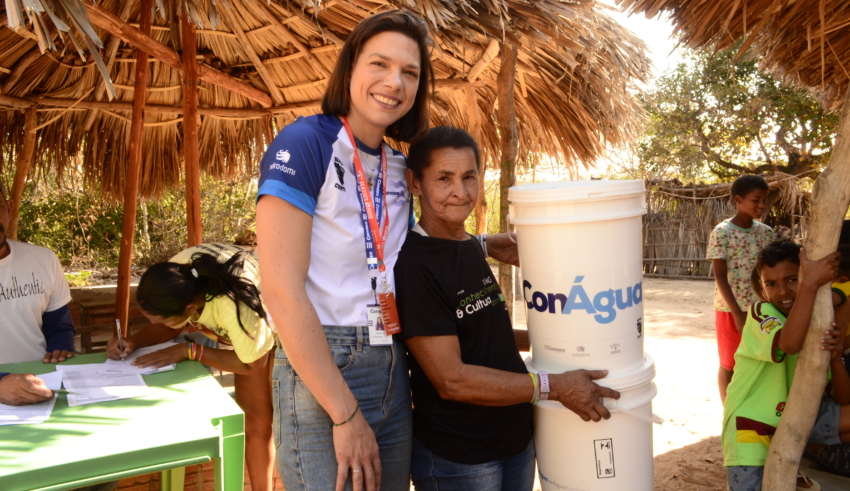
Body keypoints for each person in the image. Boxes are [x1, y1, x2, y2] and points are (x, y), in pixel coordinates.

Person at [255, 11, 518, 491]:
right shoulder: (306, 143)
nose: (394, 82)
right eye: (380, 64)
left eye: (410, 72)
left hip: (393, 360)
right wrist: (344, 414)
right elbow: (280, 290)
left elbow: (399, 251)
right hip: (324, 361)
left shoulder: (399, 166)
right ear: (351, 68)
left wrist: (483, 243)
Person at [394, 126, 621, 490]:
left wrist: (567, 339)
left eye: (469, 177)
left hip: (515, 439)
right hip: (462, 455)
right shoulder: (415, 266)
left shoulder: (468, 245)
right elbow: (451, 379)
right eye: (444, 178)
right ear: (415, 183)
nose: (460, 191)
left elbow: (485, 334)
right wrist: (554, 386)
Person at [106, 243, 275, 491]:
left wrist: (191, 351)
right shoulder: (176, 278)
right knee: (252, 421)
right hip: (243, 318)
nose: (151, 323)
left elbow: (253, 364)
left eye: (156, 319)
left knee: (262, 422)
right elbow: (170, 323)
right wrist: (133, 341)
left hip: (286, 318)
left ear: (190, 308)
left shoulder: (234, 305)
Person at [723, 240, 850, 491]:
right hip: (752, 430)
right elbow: (789, 344)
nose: (782, 291)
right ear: (762, 289)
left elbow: (843, 397)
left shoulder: (817, 321)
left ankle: (797, 451)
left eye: (792, 279)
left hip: (796, 420)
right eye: (771, 284)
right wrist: (809, 284)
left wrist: (835, 357)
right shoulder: (761, 312)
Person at [0, 179, 77, 406]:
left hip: (42, 387)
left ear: (9, 208)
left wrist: (61, 351)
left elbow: (59, 326)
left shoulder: (43, 260)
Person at [706, 175, 773, 403]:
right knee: (729, 363)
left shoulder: (765, 232)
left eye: (764, 200)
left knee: (759, 361)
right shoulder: (722, 232)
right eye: (756, 200)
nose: (762, 205)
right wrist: (737, 314)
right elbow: (720, 276)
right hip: (730, 309)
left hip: (762, 309)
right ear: (738, 199)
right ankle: (729, 413)